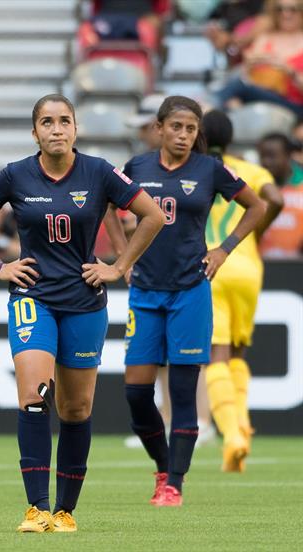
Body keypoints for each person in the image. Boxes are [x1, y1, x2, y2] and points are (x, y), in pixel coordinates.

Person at [0, 94, 165, 532]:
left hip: (85, 300)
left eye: (64, 121)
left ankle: (66, 512)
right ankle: (36, 508)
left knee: (76, 407)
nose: (56, 129)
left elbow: (152, 215)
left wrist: (119, 266)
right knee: (34, 395)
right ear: (35, 132)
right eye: (46, 122)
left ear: (75, 128)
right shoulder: (15, 174)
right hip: (32, 297)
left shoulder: (100, 171)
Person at [118, 96, 265, 507]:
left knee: (184, 393)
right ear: (159, 128)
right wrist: (122, 257)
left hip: (190, 291)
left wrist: (223, 250)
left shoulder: (210, 170)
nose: (184, 135)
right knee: (135, 393)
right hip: (145, 291)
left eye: (191, 129)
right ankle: (163, 464)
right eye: (177, 127)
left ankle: (174, 484)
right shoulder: (137, 168)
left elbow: (257, 206)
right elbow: (109, 207)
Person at [202, 109, 284, 473]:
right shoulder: (250, 170)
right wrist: (257, 233)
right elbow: (274, 200)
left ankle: (232, 434)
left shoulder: (198, 169)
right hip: (247, 265)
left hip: (210, 266)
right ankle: (243, 430)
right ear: (232, 137)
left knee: (215, 356)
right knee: (238, 352)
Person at [215, 0, 303, 119]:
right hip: (261, 96)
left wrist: (289, 70)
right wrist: (250, 64)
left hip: (293, 103)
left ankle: (210, 107)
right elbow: (246, 77)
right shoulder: (265, 38)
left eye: (293, 9)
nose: (285, 14)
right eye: (280, 9)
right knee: (234, 97)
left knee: (235, 88)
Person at [258, 132, 303, 257]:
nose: (266, 162)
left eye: (272, 156)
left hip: (297, 266)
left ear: (288, 156)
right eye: (262, 156)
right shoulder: (254, 186)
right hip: (262, 263)